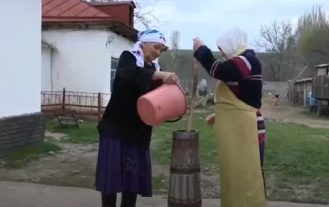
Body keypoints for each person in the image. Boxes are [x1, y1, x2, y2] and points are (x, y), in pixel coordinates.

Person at [95, 29, 178, 207]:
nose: (158, 52)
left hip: (138, 132)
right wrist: (161, 76)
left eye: (161, 50)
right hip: (116, 129)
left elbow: (159, 96)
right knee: (112, 178)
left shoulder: (154, 68)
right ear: (144, 44)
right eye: (156, 47)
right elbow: (129, 75)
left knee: (131, 181)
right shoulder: (129, 58)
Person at [193, 27, 267, 207]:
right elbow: (239, 97)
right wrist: (219, 115)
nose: (222, 54)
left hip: (248, 131)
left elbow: (219, 70)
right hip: (237, 130)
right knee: (233, 176)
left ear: (232, 45)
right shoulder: (242, 63)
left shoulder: (248, 60)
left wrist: (202, 50)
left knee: (248, 176)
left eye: (222, 50)